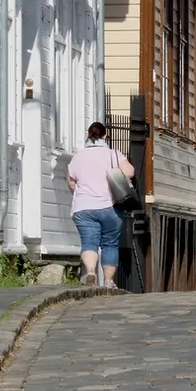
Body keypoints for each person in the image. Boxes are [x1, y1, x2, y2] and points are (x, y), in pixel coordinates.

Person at [67, 122, 135, 288]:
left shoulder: (78, 156)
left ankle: (91, 272)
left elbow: (70, 181)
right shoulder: (113, 155)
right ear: (105, 136)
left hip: (84, 208)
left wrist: (82, 193)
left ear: (89, 136)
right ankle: (108, 281)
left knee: (89, 242)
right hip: (109, 206)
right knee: (110, 244)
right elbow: (130, 172)